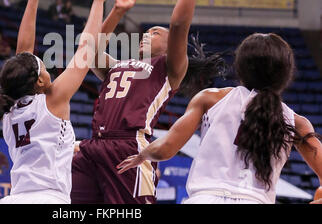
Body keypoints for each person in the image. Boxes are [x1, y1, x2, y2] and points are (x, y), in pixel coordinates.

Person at [71, 0, 226, 204]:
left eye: (154, 32)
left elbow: (178, 25)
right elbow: (88, 51)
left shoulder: (168, 68)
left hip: (128, 147)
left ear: (170, 46)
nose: (145, 34)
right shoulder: (119, 65)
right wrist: (117, 11)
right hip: (93, 146)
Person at [117, 33, 322, 204]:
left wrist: (143, 154)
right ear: (286, 73)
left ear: (240, 67)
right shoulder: (296, 122)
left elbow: (165, 149)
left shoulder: (210, 98)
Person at [0, 0, 110, 204]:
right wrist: (99, 0)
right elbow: (86, 47)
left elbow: (22, 53)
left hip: (15, 198)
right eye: (42, 64)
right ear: (40, 81)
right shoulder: (53, 100)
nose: (44, 63)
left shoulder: (9, 108)